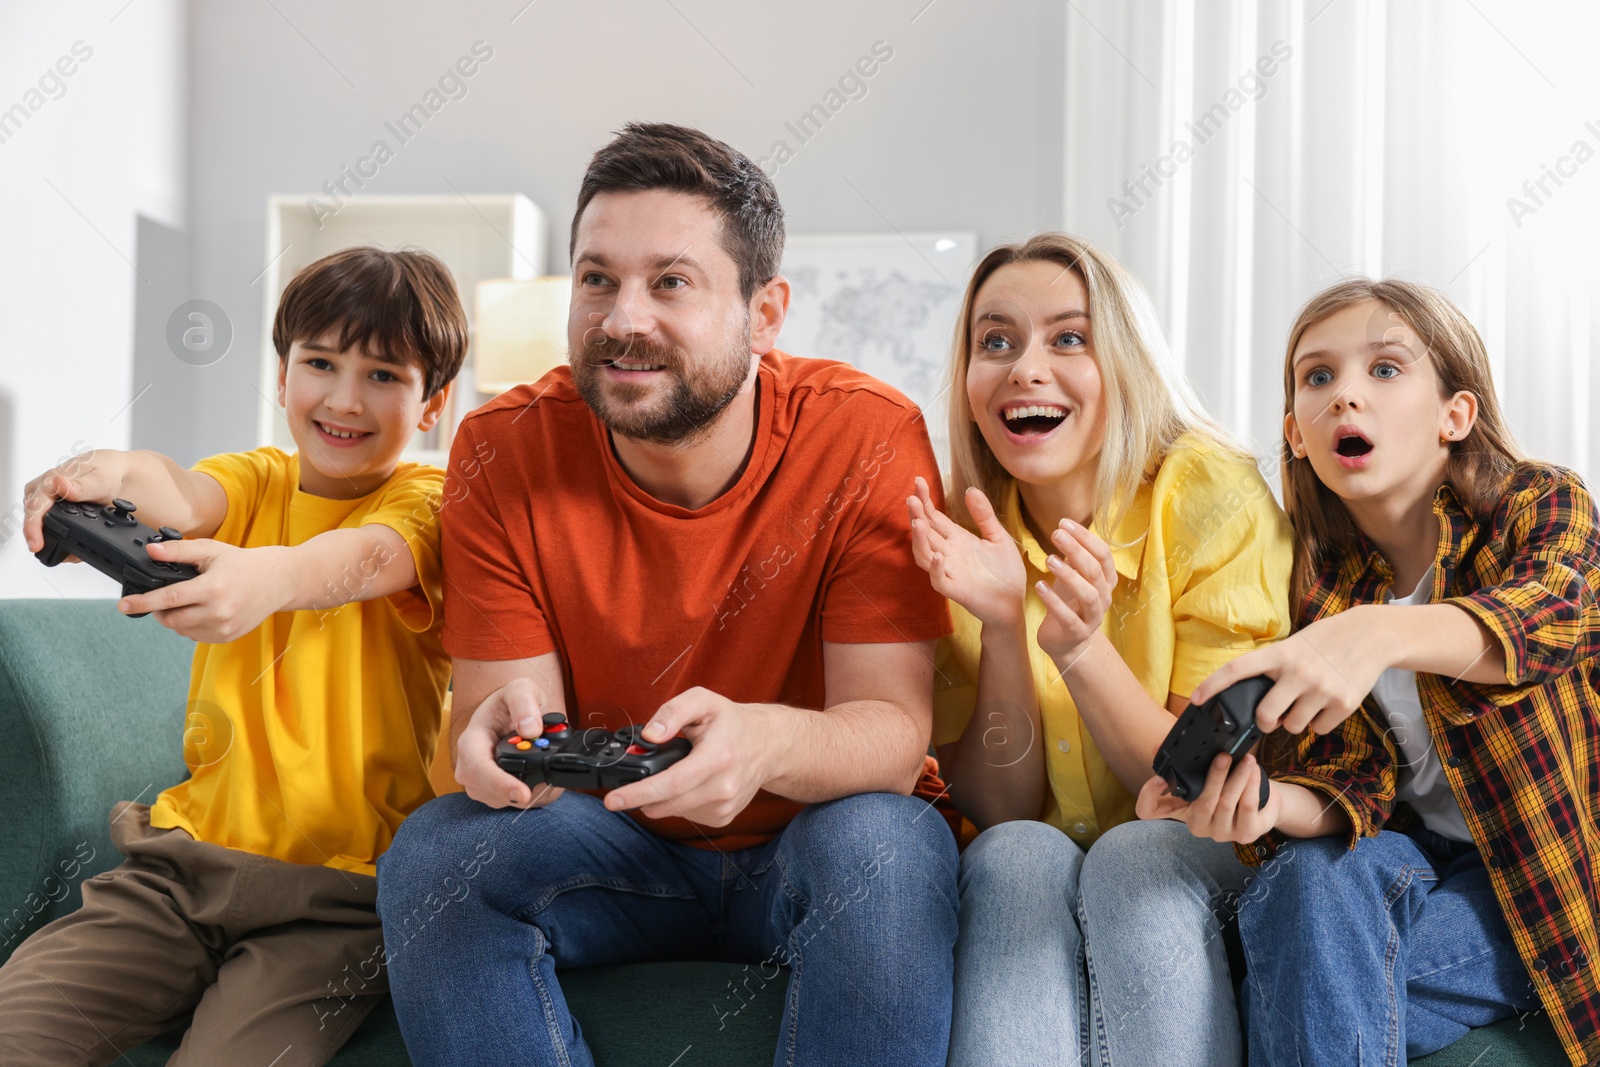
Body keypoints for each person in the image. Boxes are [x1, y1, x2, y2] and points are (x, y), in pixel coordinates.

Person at [374, 123, 960, 1067]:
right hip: (612, 844)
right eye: (596, 278)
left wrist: (762, 739)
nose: (621, 318)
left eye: (670, 282)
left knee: (885, 844)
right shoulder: (503, 447)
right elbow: (511, 730)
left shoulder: (866, 435)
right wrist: (487, 746)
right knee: (442, 852)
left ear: (765, 313)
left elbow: (892, 736)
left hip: (814, 840)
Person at [0, 246, 467, 1065]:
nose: (345, 398)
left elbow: (368, 558)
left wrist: (270, 577)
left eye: (385, 375)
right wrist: (93, 475)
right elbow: (172, 486)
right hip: (177, 868)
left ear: (433, 403)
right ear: (283, 376)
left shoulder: (430, 499)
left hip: (340, 899)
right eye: (320, 362)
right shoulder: (255, 482)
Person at [1150, 277, 1598, 1066]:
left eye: (1384, 369)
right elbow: (1356, 782)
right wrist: (1262, 801)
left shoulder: (1541, 503)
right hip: (1420, 861)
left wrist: (1377, 635)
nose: (1344, 396)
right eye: (1318, 377)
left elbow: (1553, 615)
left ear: (1455, 415)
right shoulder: (1321, 586)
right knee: (1308, 875)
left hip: (1542, 872)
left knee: (1283, 979)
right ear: (1295, 432)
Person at [909, 232, 1292, 1066]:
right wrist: (1006, 626)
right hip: (1034, 858)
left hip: (1195, 843)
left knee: (1137, 856)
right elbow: (1003, 808)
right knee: (1011, 853)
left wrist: (1083, 650)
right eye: (995, 341)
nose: (1024, 368)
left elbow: (1192, 784)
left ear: (1124, 363)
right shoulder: (956, 533)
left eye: (1068, 337)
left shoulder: (1208, 492)